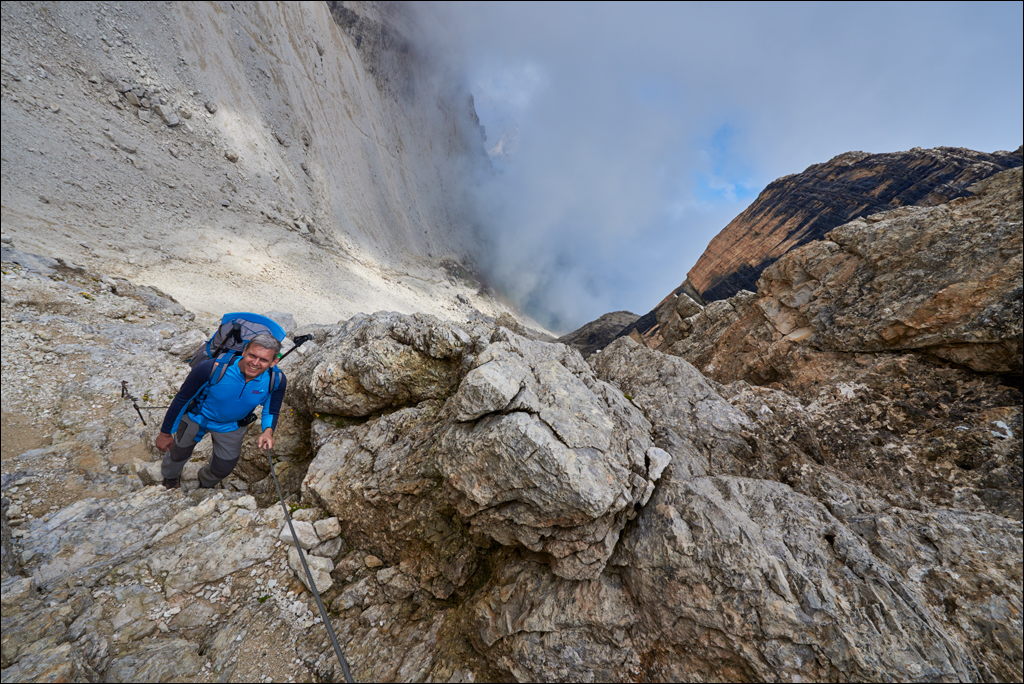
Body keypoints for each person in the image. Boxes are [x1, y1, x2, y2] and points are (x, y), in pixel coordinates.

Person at [156, 333, 287, 489]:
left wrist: (267, 431)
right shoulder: (211, 368)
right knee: (178, 453)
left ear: (274, 362)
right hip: (196, 416)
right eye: (252, 355)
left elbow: (271, 410)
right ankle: (170, 477)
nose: (255, 363)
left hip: (231, 426)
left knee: (223, 467)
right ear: (244, 351)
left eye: (264, 360)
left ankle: (205, 484)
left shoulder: (276, 380)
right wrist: (165, 433)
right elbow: (182, 400)